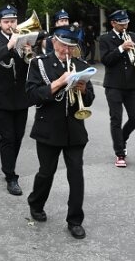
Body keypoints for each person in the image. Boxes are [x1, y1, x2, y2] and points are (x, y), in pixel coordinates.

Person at [26, 26, 94, 239]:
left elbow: (90, 99)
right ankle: (35, 203)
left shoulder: (81, 65)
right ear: (53, 42)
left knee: (76, 175)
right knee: (47, 172)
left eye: (71, 46)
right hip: (48, 127)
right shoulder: (39, 64)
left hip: (75, 129)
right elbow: (32, 95)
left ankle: (75, 220)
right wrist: (59, 83)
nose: (67, 50)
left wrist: (83, 90)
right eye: (64, 45)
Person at [0, 4, 31, 196]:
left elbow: (30, 64)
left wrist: (28, 50)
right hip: (1, 96)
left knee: (18, 136)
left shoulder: (24, 37)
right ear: (0, 23)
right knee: (8, 137)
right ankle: (10, 175)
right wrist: (10, 45)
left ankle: (9, 166)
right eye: (6, 21)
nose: (10, 24)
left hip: (21, 95)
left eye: (13, 21)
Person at [98, 10, 135, 168]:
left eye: (126, 23)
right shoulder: (105, 39)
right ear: (113, 23)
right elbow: (106, 60)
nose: (125, 26)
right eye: (121, 23)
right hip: (113, 85)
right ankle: (120, 152)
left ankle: (121, 138)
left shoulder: (134, 36)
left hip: (131, 84)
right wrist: (121, 48)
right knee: (116, 119)